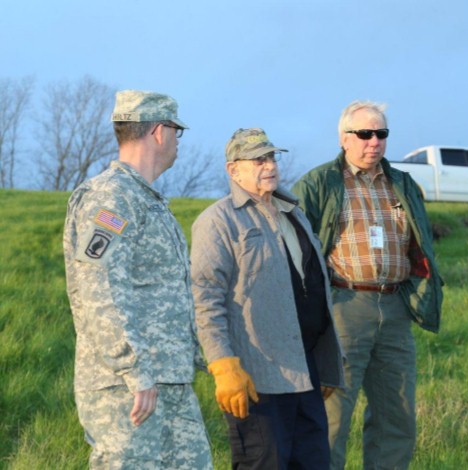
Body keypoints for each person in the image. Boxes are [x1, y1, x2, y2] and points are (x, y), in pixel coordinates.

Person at [63, 90, 213, 469]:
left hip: (168, 382)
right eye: (177, 132)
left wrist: (201, 357)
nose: (178, 142)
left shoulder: (147, 200)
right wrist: (135, 370)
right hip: (129, 389)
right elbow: (100, 290)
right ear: (160, 132)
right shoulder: (111, 199)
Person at [291, 100, 444, 470]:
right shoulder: (319, 183)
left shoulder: (402, 183)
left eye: (381, 134)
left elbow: (421, 241)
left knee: (398, 414)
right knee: (333, 415)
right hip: (343, 306)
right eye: (364, 134)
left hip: (395, 309)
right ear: (344, 138)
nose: (373, 141)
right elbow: (293, 248)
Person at [190, 128, 345, 469]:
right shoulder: (217, 222)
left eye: (272, 157)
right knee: (264, 462)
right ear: (234, 170)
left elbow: (313, 287)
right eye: (258, 159)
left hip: (306, 371)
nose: (269, 165)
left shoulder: (294, 213)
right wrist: (222, 365)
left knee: (315, 462)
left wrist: (326, 362)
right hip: (257, 377)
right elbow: (205, 298)